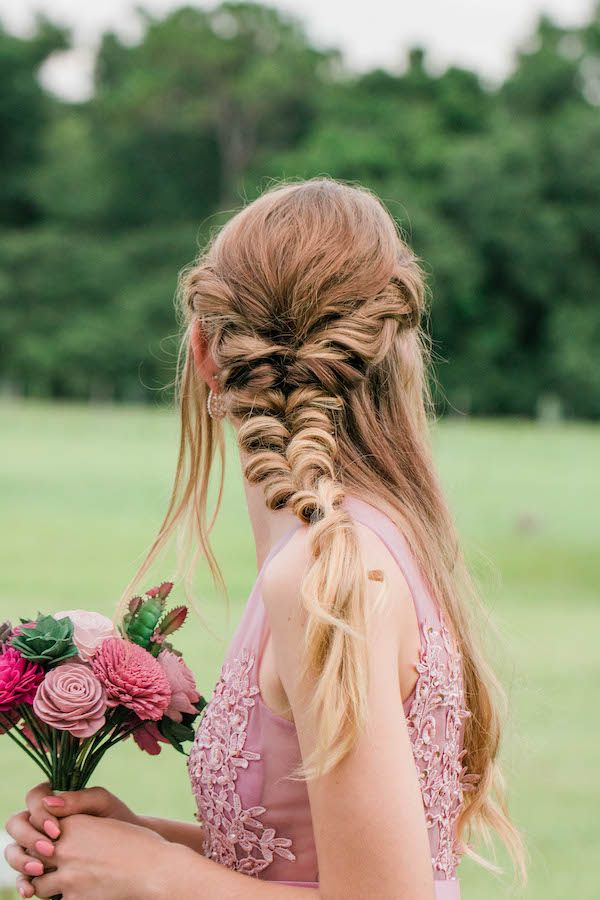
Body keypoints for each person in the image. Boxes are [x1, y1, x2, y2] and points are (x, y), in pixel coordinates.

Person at [4, 178, 525, 899]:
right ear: (389, 349)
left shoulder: (324, 577)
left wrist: (158, 876)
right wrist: (142, 841)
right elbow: (322, 855)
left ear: (205, 352)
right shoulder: (378, 540)